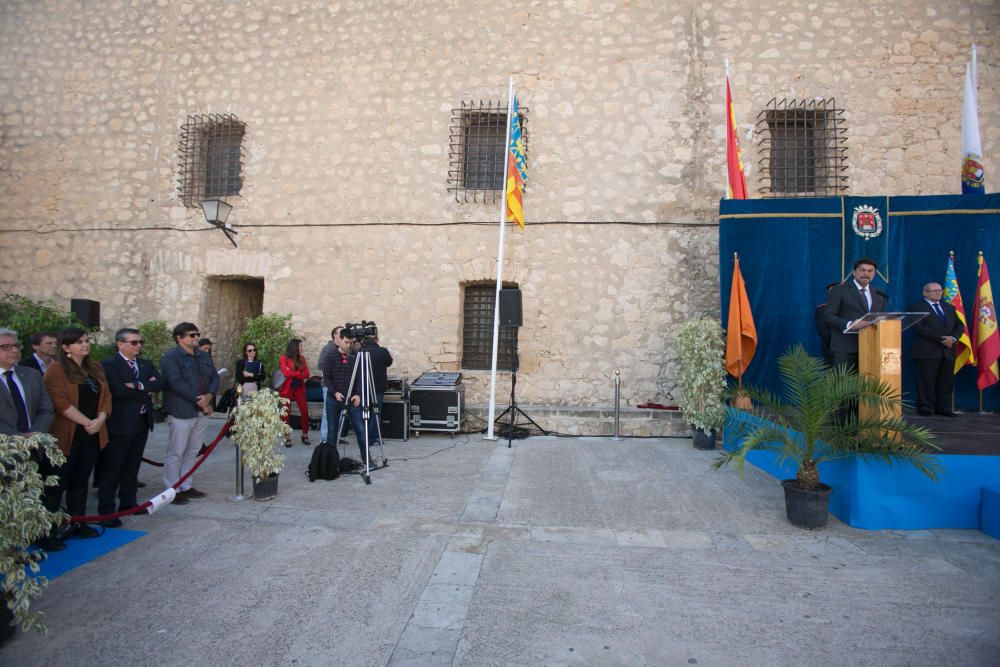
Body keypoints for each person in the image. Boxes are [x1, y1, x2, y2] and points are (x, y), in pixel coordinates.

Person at [43, 328, 111, 538]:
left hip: (92, 434)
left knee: (81, 481)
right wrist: (88, 422)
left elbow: (106, 396)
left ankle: (78, 522)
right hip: (68, 434)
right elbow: (59, 402)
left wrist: (100, 420)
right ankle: (49, 530)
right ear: (65, 347)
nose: (85, 344)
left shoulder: (95, 368)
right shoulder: (56, 370)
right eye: (79, 341)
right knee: (58, 483)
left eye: (86, 340)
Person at [1, 328, 60, 550]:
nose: (13, 350)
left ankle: (44, 535)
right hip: (6, 448)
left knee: (41, 492)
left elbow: (47, 408)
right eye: (6, 347)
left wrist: (34, 435)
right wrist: (18, 438)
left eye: (16, 346)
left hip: (36, 444)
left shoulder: (31, 374)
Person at [99, 328, 163, 527]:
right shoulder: (109, 365)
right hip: (120, 423)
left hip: (141, 421)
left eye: (140, 342)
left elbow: (159, 383)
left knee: (132, 466)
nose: (139, 346)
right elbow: (118, 391)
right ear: (120, 344)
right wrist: (145, 387)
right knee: (112, 468)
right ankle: (106, 510)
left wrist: (136, 386)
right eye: (134, 342)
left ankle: (128, 503)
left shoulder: (145, 364)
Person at [160, 322, 218, 504]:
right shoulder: (171, 358)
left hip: (201, 410)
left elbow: (214, 377)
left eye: (197, 334)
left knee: (193, 449)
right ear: (180, 338)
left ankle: (185, 484)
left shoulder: (202, 356)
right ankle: (172, 488)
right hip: (181, 410)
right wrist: (200, 400)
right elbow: (176, 383)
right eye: (192, 335)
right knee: (177, 450)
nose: (196, 338)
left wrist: (208, 397)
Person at [823, 257, 889, 370]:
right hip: (845, 347)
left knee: (868, 385)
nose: (866, 274)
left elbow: (880, 318)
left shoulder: (879, 294)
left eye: (870, 271)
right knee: (843, 385)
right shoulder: (839, 290)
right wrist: (850, 324)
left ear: (874, 274)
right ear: (854, 272)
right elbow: (828, 316)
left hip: (871, 346)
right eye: (862, 270)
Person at [909, 282, 964, 417]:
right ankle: (925, 407)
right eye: (934, 291)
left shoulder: (949, 307)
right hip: (927, 351)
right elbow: (919, 328)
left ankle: (943, 407)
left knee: (946, 381)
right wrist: (942, 339)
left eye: (940, 290)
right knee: (926, 381)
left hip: (948, 351)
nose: (938, 293)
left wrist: (953, 338)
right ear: (925, 293)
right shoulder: (916, 307)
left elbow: (960, 326)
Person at [320, 331, 366, 462]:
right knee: (332, 431)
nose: (349, 345)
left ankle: (367, 459)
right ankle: (330, 461)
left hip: (351, 399)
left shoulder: (355, 356)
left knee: (360, 429)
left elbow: (359, 377)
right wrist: (334, 392)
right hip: (333, 398)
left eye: (351, 343)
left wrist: (358, 393)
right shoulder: (329, 356)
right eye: (346, 342)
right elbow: (326, 378)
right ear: (339, 340)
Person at [278, 338, 311, 446]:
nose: (302, 348)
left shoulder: (302, 358)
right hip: (287, 388)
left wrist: (293, 372)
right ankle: (287, 437)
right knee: (285, 414)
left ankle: (305, 435)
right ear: (294, 347)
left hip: (299, 388)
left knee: (305, 411)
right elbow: (285, 373)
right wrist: (299, 373)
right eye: (300, 346)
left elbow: (307, 374)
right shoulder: (284, 358)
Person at [363, 334, 393, 450]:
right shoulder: (382, 351)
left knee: (364, 411)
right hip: (378, 387)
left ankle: (363, 437)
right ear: (377, 339)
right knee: (376, 412)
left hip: (363, 387)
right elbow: (389, 362)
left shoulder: (361, 351)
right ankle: (373, 438)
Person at [316, 326, 344, 443]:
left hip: (340, 386)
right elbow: (320, 365)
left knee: (339, 413)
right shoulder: (328, 348)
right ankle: (324, 439)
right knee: (327, 414)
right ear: (335, 336)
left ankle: (334, 437)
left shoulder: (344, 349)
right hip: (329, 386)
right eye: (341, 333)